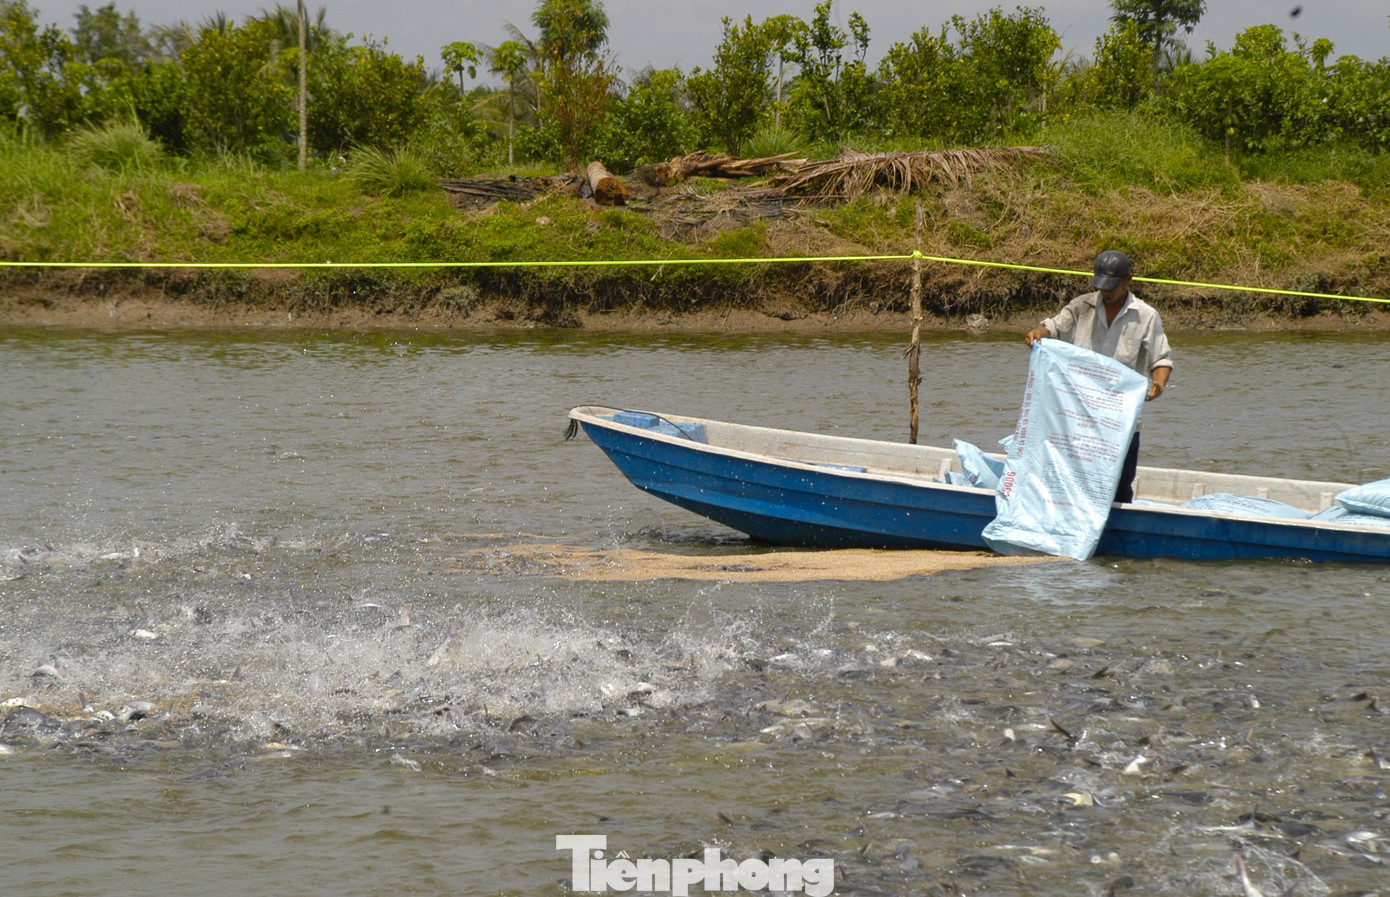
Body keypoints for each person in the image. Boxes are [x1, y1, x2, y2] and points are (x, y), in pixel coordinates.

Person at [1024, 249, 1172, 503]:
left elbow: (1161, 358)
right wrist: (1039, 332)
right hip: (1079, 412)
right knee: (1075, 477)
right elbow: (1054, 326)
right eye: (1101, 285)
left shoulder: (1146, 315)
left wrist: (1158, 385)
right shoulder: (1082, 306)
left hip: (1120, 416)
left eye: (1112, 286)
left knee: (1120, 484)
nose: (1106, 291)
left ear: (1129, 280)